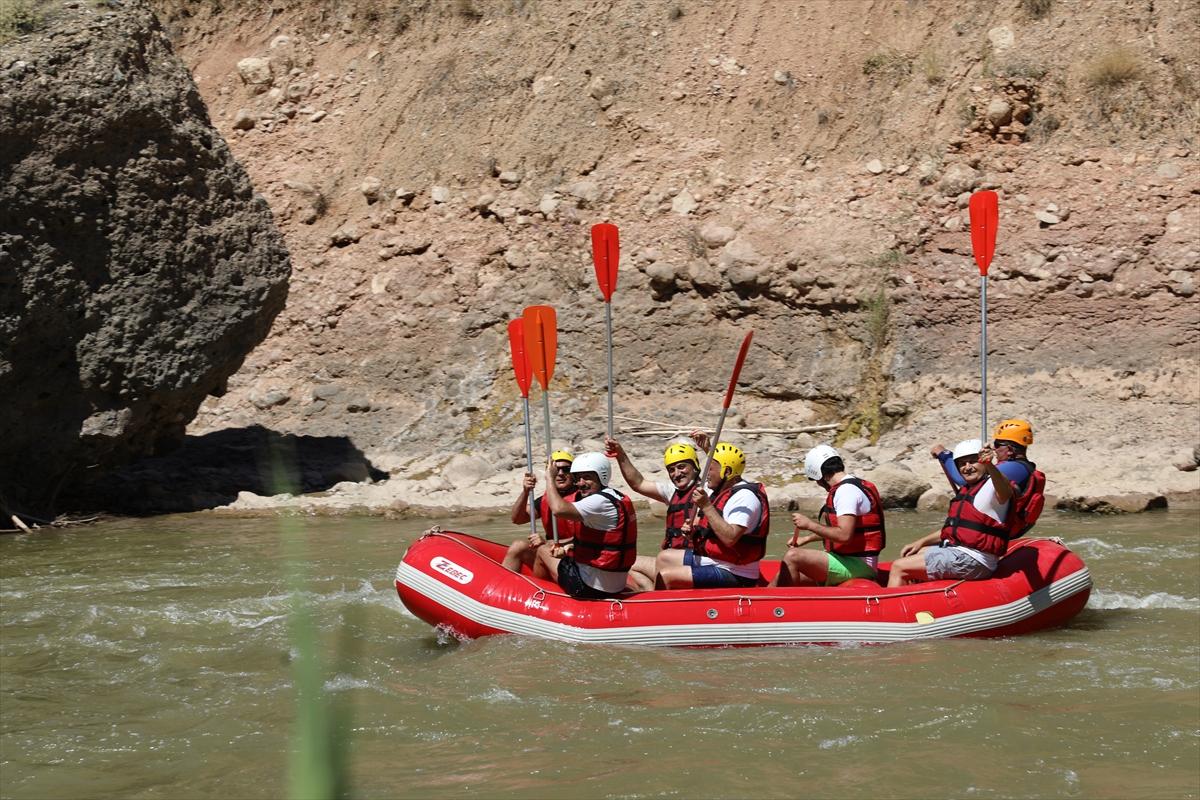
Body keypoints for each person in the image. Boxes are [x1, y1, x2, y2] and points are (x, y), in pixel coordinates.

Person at [887, 439, 1014, 587]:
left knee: (898, 567)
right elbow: (955, 528)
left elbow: (1005, 489)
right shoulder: (968, 489)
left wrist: (989, 464)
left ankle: (890, 608)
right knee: (916, 552)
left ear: (983, 462)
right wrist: (920, 542)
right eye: (962, 464)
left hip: (974, 560)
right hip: (959, 552)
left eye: (973, 461)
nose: (967, 467)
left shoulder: (993, 486)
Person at [655, 439, 770, 589]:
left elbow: (730, 538)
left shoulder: (745, 498)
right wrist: (694, 531)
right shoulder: (723, 491)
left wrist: (706, 506)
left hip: (736, 573)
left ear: (727, 472)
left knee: (666, 576)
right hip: (718, 561)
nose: (705, 474)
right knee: (664, 557)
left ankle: (663, 608)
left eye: (710, 469)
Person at [769, 445, 886, 587]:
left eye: (815, 479)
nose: (818, 484)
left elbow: (844, 535)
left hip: (859, 565)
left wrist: (810, 525)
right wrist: (806, 539)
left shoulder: (846, 492)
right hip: (847, 560)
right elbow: (842, 529)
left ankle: (785, 607)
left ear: (820, 475)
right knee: (782, 575)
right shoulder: (852, 486)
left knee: (792, 557)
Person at [534, 452, 639, 599]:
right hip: (615, 583)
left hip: (589, 586)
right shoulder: (616, 496)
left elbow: (558, 509)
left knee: (542, 551)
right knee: (564, 554)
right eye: (578, 478)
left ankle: (539, 596)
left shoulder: (598, 502)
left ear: (602, 476)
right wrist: (570, 547)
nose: (581, 483)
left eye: (587, 477)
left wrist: (550, 478)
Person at [606, 436, 703, 590]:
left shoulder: (708, 491)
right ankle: (651, 595)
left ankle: (658, 596)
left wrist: (709, 448)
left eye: (682, 467)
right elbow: (638, 483)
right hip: (669, 559)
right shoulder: (672, 491)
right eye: (672, 470)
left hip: (693, 562)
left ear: (695, 467)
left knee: (661, 561)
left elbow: (728, 482)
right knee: (628, 563)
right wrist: (620, 454)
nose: (676, 474)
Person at [931, 418, 1045, 537]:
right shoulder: (1024, 467)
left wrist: (944, 455)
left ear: (1010, 450)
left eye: (997, 444)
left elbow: (964, 479)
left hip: (996, 531)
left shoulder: (1012, 468)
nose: (994, 449)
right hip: (1013, 529)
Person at [500, 450, 580, 577]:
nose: (560, 474)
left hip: (574, 555)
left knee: (543, 549)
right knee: (518, 546)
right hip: (551, 552)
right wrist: (525, 492)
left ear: (573, 473)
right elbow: (517, 519)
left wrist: (546, 544)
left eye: (566, 469)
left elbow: (586, 537)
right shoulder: (545, 499)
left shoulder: (583, 498)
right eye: (555, 470)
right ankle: (503, 587)